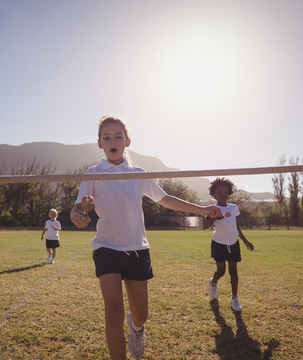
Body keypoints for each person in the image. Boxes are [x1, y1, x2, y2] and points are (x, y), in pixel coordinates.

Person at [70, 116, 222, 360]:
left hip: (138, 249)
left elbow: (166, 199)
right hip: (106, 248)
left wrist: (202, 209)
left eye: (118, 136)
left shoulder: (138, 173)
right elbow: (78, 209)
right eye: (106, 137)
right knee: (113, 311)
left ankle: (137, 329)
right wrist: (79, 215)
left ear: (127, 141)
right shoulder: (94, 173)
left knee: (141, 314)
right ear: (99, 143)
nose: (112, 141)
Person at [205, 178, 254, 312]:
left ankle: (234, 298)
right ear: (214, 194)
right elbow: (205, 226)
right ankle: (213, 282)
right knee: (221, 271)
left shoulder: (234, 208)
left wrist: (245, 240)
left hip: (233, 243)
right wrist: (214, 216)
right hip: (218, 243)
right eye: (219, 192)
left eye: (225, 192)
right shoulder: (212, 209)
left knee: (233, 271)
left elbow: (236, 226)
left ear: (229, 193)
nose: (222, 194)